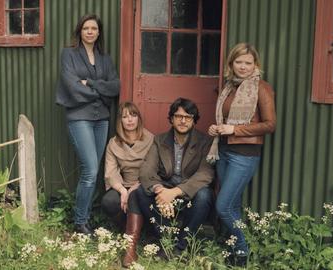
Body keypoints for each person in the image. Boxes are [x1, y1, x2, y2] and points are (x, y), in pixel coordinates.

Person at [207, 43, 276, 266]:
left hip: (245, 155)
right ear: (231, 64)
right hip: (224, 150)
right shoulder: (228, 86)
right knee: (232, 205)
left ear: (256, 64)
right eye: (239, 62)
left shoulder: (262, 88)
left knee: (223, 206)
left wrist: (234, 130)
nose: (243, 67)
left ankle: (242, 252)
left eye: (248, 62)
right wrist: (217, 128)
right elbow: (224, 120)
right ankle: (233, 254)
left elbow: (269, 125)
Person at [55, 14, 120, 235]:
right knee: (91, 170)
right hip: (79, 117)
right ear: (79, 32)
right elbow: (71, 87)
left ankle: (85, 218)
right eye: (86, 28)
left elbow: (115, 87)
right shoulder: (69, 55)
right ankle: (80, 221)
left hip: (101, 119)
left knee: (93, 170)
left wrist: (91, 83)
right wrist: (100, 92)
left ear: (99, 32)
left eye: (94, 28)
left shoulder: (106, 59)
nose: (90, 32)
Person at [136, 98, 214, 256]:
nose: (183, 121)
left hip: (189, 193)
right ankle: (165, 240)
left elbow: (205, 174)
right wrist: (160, 191)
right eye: (178, 116)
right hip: (165, 190)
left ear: (194, 120)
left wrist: (175, 192)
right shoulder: (159, 140)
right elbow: (146, 170)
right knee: (140, 191)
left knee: (205, 194)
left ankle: (180, 246)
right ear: (171, 119)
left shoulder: (205, 142)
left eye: (188, 117)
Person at [100, 102, 154, 267]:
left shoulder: (150, 138)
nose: (129, 120)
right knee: (109, 201)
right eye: (125, 116)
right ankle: (128, 232)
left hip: (144, 184)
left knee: (139, 198)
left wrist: (137, 187)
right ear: (120, 121)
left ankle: (133, 242)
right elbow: (111, 172)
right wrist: (123, 190)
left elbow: (153, 167)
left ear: (138, 118)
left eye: (133, 115)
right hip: (124, 183)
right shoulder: (114, 143)